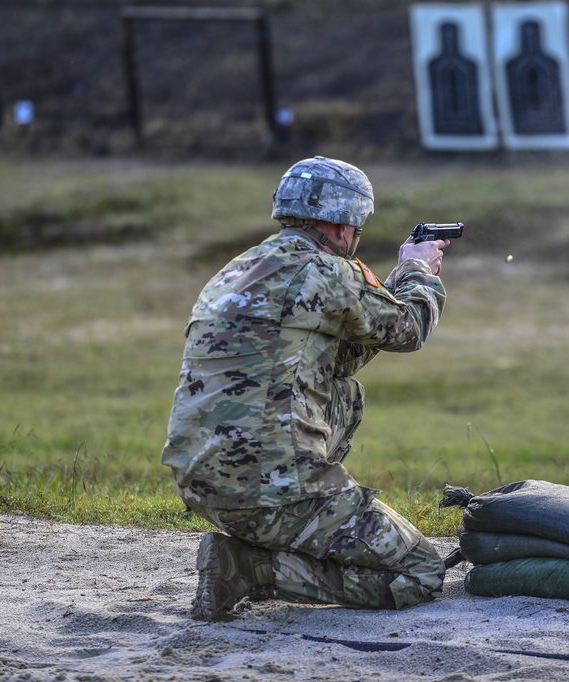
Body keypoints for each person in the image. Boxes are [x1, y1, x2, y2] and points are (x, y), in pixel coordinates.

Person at [161, 156, 451, 621]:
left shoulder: (234, 271)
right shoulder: (329, 272)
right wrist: (421, 273)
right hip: (272, 490)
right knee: (420, 573)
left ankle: (269, 539)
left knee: (344, 392)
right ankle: (252, 568)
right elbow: (409, 329)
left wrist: (391, 283)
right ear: (341, 225)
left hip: (203, 484)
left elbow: (338, 358)